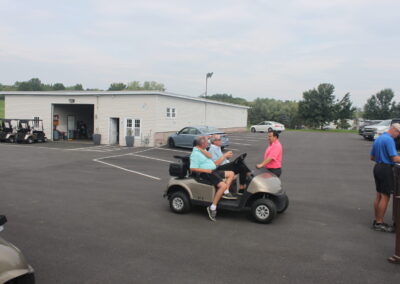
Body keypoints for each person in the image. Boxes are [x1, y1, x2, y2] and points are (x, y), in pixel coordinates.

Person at [190, 136, 235, 221]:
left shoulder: (202, 149)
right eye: (207, 142)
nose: (209, 143)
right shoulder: (195, 154)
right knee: (223, 186)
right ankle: (212, 208)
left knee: (231, 173)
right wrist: (206, 171)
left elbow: (210, 156)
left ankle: (225, 193)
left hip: (213, 170)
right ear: (203, 144)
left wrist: (202, 149)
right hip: (206, 173)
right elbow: (192, 168)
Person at [370, 123, 400, 232]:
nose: (398, 136)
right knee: (385, 196)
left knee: (379, 195)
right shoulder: (389, 140)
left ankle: (377, 220)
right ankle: (380, 223)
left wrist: (382, 158)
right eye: (398, 133)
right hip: (386, 169)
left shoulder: (379, 139)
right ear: (394, 130)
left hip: (377, 167)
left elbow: (372, 157)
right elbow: (395, 158)